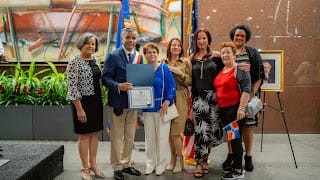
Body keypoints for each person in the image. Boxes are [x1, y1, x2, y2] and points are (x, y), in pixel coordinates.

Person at [102, 28, 143, 180]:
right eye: (128, 37)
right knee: (117, 137)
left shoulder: (139, 57)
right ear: (122, 38)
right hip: (117, 103)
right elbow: (105, 79)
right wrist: (119, 86)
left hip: (133, 103)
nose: (131, 40)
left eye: (133, 38)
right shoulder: (113, 56)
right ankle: (117, 166)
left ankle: (126, 164)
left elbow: (141, 78)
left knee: (130, 136)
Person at [223, 24, 264, 172]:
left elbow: (259, 76)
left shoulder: (252, 53)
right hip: (231, 98)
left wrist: (251, 93)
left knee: (247, 127)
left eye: (242, 36)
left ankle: (248, 156)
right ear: (232, 36)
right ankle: (231, 154)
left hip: (247, 97)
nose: (239, 37)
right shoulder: (228, 51)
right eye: (236, 35)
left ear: (246, 38)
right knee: (231, 127)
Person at [66, 33, 105, 180]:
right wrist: (79, 109)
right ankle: (84, 168)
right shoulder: (74, 62)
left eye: (93, 44)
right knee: (84, 135)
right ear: (81, 44)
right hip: (82, 103)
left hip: (96, 102)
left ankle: (93, 164)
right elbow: (72, 88)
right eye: (88, 43)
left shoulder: (95, 60)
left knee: (94, 134)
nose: (91, 46)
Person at [214, 42, 251, 179]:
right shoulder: (222, 69)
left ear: (234, 54)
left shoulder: (239, 70)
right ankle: (235, 164)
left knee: (235, 140)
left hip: (234, 110)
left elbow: (247, 89)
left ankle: (238, 169)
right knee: (232, 138)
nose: (224, 55)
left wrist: (241, 108)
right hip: (224, 111)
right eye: (222, 52)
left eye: (228, 52)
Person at [190, 28, 224, 178]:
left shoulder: (216, 57)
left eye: (204, 38)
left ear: (208, 40)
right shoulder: (191, 59)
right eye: (199, 39)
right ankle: (198, 162)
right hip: (199, 98)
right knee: (201, 131)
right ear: (195, 41)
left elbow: (227, 71)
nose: (201, 41)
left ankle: (205, 159)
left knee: (211, 132)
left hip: (214, 98)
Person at [141, 42, 176, 176]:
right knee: (149, 138)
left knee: (162, 138)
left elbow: (172, 87)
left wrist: (167, 102)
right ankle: (150, 164)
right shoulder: (142, 70)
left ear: (157, 54)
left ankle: (161, 164)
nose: (152, 54)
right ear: (145, 55)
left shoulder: (164, 69)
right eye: (149, 52)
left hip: (163, 108)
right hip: (147, 109)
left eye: (154, 52)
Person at [163, 38, 192, 173]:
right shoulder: (164, 61)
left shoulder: (186, 62)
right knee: (169, 132)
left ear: (181, 48)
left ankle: (180, 160)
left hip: (180, 96)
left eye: (178, 45)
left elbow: (191, 81)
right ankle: (172, 159)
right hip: (166, 98)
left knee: (175, 132)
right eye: (173, 45)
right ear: (169, 47)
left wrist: (180, 72)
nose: (175, 47)